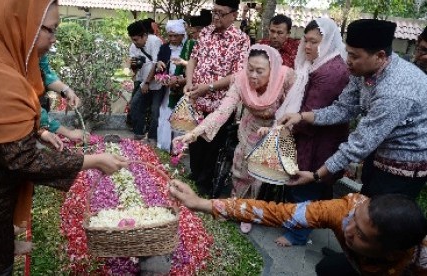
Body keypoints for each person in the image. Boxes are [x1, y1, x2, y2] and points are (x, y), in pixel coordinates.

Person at [0, 1, 128, 274]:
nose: (53, 41)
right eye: (50, 31)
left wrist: (39, 131)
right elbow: (23, 160)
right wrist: (93, 160)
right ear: (20, 27)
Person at [280, 19, 427, 200]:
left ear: (380, 56)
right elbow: (343, 108)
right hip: (379, 151)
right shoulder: (362, 70)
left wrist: (316, 175)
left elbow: (361, 142)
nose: (347, 61)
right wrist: (301, 116)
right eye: (348, 53)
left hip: (404, 164)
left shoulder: (395, 91)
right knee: (365, 203)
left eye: (354, 56)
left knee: (381, 217)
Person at [169, 180, 427, 275]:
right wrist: (201, 203)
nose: (347, 231)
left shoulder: (419, 261)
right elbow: (273, 212)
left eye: (360, 234)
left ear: (392, 252)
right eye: (353, 221)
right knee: (327, 269)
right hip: (359, 264)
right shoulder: (342, 211)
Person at [174, 44, 295, 233]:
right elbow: (222, 111)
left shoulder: (286, 77)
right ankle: (232, 207)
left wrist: (277, 128)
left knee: (257, 174)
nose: (253, 75)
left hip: (274, 129)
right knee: (239, 167)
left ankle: (247, 211)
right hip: (250, 126)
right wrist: (193, 133)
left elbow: (293, 108)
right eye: (250, 69)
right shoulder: (240, 80)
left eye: (260, 71)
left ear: (272, 70)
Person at [268, 18, 350, 247]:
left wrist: (284, 129)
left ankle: (297, 234)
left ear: (329, 42)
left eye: (314, 42)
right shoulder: (316, 64)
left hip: (317, 139)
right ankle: (308, 221)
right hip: (310, 134)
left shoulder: (331, 71)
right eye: (306, 40)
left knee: (304, 183)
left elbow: (312, 112)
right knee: (312, 185)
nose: (308, 46)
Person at [184, 0, 250, 196]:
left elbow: (238, 75)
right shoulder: (205, 32)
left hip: (220, 106)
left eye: (221, 13)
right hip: (197, 100)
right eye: (214, 12)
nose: (216, 17)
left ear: (234, 15)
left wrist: (209, 87)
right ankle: (195, 176)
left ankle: (204, 185)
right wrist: (188, 82)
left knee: (212, 147)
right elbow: (193, 59)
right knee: (195, 142)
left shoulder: (241, 39)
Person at [127, 21, 163, 144]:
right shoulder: (134, 46)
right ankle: (138, 135)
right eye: (132, 40)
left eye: (136, 40)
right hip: (143, 82)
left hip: (157, 84)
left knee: (155, 111)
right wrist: (134, 66)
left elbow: (156, 64)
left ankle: (152, 138)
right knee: (135, 106)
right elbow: (135, 69)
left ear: (144, 35)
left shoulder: (155, 41)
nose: (134, 43)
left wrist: (147, 83)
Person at [155, 19, 187, 151]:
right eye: (170, 35)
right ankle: (164, 146)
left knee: (181, 118)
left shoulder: (188, 49)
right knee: (165, 115)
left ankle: (178, 149)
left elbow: (193, 68)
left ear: (182, 36)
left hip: (184, 90)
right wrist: (159, 68)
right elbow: (159, 69)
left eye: (176, 36)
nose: (173, 38)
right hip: (167, 91)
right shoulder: (164, 48)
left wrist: (180, 80)